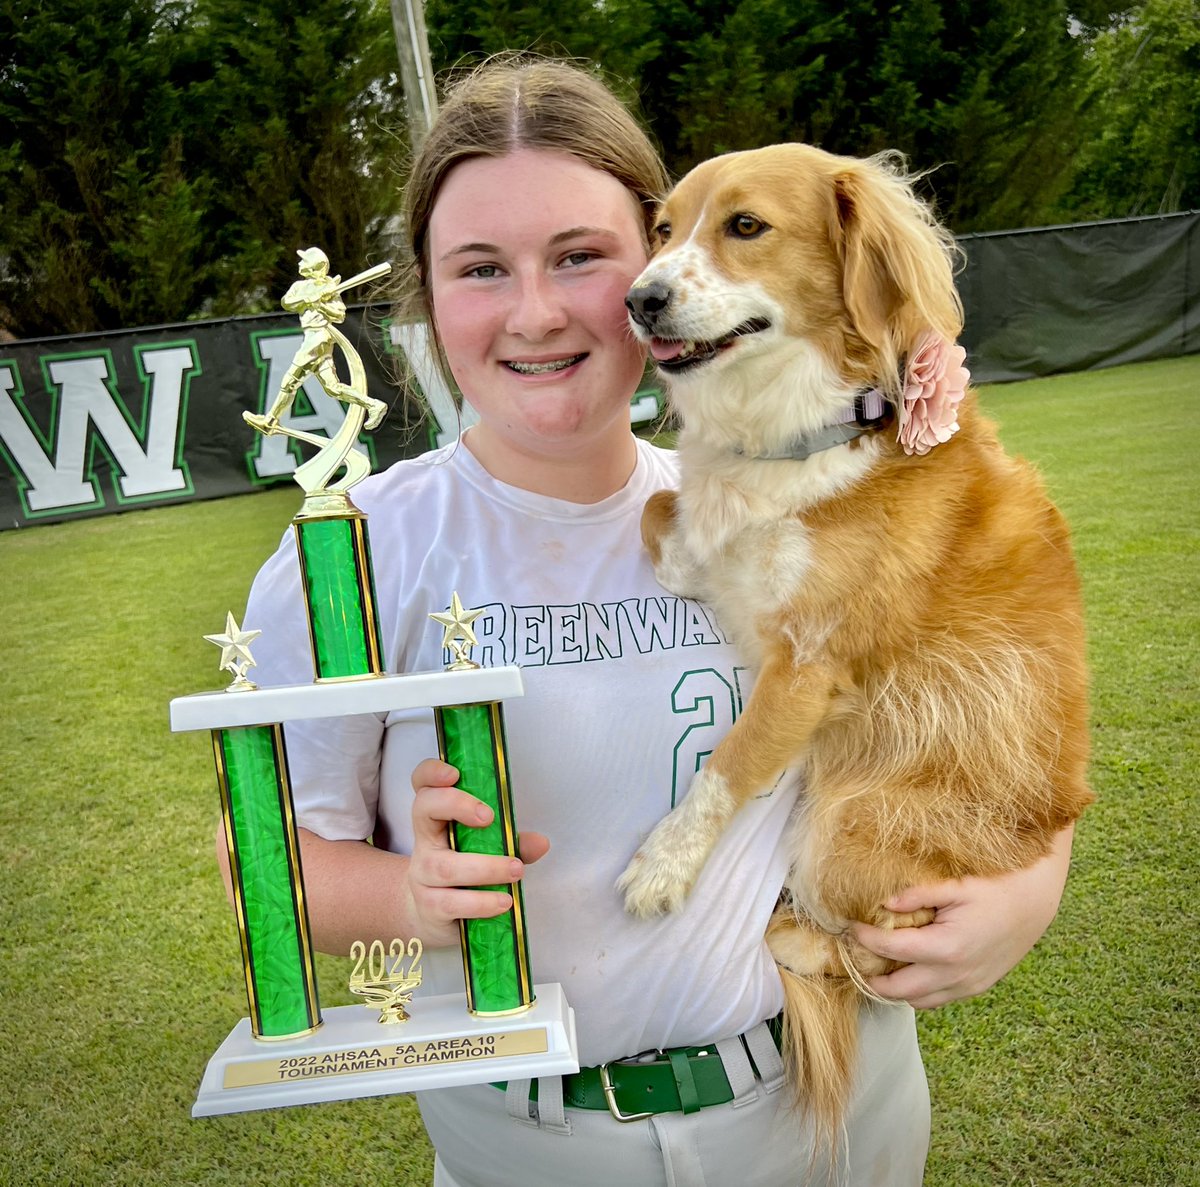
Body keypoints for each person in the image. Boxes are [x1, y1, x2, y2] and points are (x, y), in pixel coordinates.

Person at [224, 56, 1077, 1186]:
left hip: (834, 1108)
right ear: (427, 300)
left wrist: (1030, 890)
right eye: (481, 268)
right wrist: (405, 892)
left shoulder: (795, 495)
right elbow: (266, 865)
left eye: (580, 257)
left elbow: (996, 703)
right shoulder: (361, 550)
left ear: (653, 260)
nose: (537, 311)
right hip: (534, 1145)